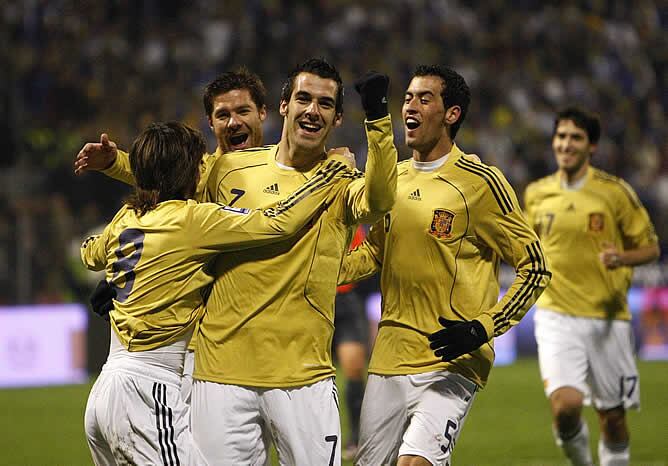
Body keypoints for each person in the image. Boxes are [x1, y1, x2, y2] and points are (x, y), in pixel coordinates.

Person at [79, 58, 398, 465]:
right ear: (284, 106)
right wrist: (115, 165)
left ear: (336, 119)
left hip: (301, 374)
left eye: (324, 104)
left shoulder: (340, 180)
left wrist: (377, 121)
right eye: (303, 98)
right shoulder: (227, 166)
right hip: (220, 375)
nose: (311, 110)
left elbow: (381, 201)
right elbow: (165, 178)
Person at [338, 64, 551, 466]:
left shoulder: (480, 182)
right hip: (388, 357)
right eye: (407, 98)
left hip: (451, 359)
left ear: (451, 114)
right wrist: (322, 267)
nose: (409, 106)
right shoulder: (392, 181)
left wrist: (483, 328)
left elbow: (535, 266)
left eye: (424, 98)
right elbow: (374, 254)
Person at [524, 107, 660, 466]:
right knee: (565, 407)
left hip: (607, 317)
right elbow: (523, 247)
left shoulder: (614, 193)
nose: (566, 144)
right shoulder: (537, 194)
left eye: (576, 138)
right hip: (555, 314)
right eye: (562, 136)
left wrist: (622, 258)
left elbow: (651, 248)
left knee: (612, 419)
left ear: (592, 146)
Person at [333, 225, 369, 460]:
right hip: (308, 301)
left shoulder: (350, 218)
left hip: (344, 300)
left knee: (354, 367)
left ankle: (356, 438)